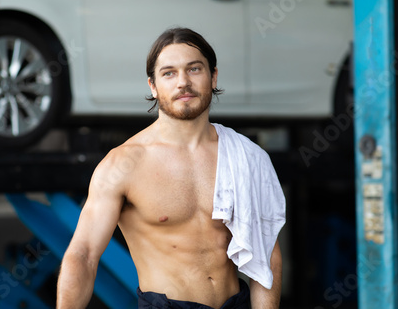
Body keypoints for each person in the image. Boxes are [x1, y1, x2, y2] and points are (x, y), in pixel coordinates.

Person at [57, 28, 286, 309]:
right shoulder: (123, 165)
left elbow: (267, 256)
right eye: (169, 73)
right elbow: (84, 254)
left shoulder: (246, 157)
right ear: (152, 86)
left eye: (194, 69)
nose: (183, 82)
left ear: (213, 77)